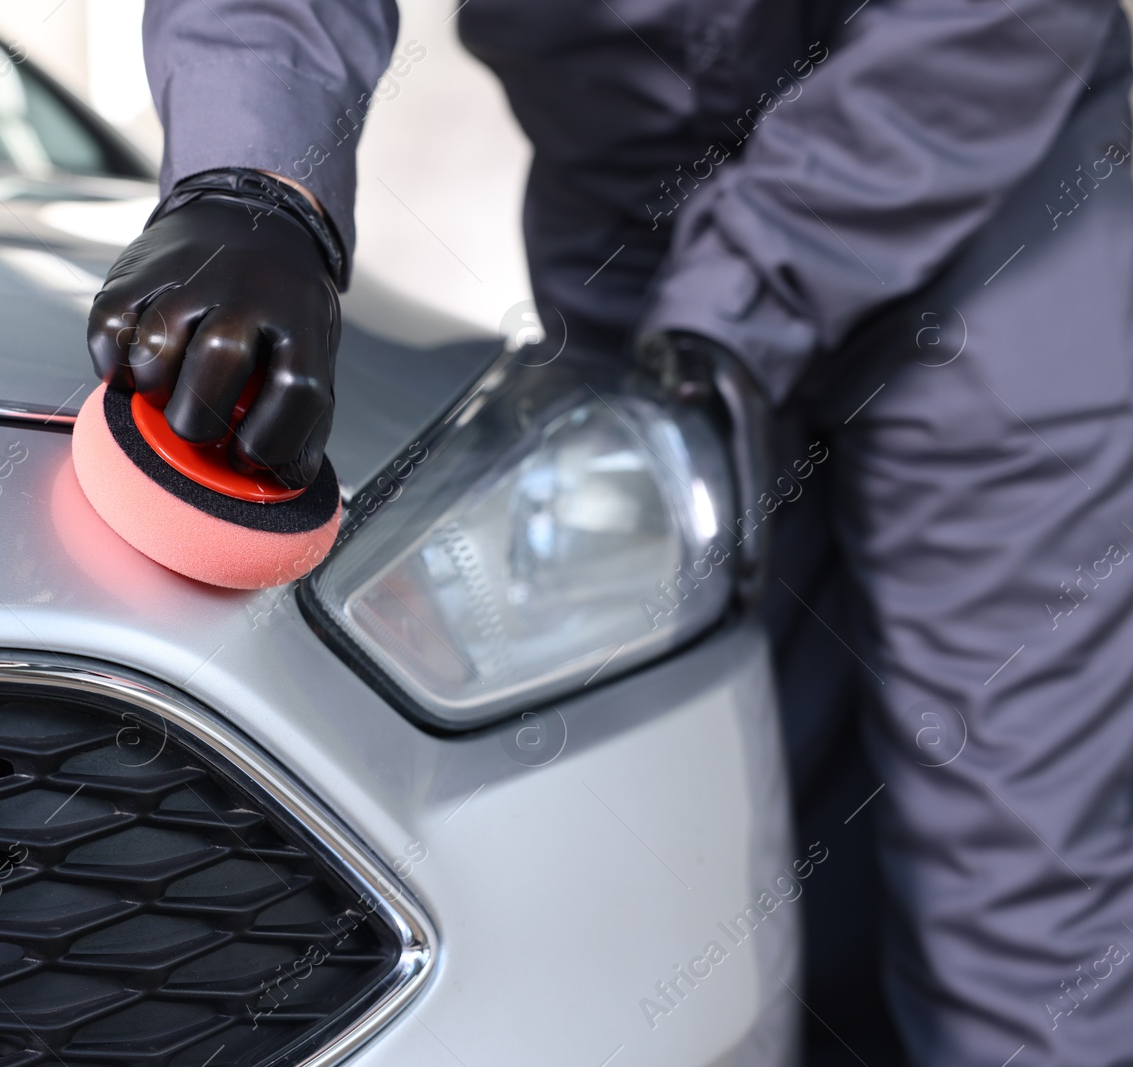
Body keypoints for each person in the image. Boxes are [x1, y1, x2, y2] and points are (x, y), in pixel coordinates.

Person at [85, 1, 1133, 1062]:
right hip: (643, 238)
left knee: (1020, 890)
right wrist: (254, 187)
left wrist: (739, 295)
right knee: (719, 827)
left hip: (986, 208)